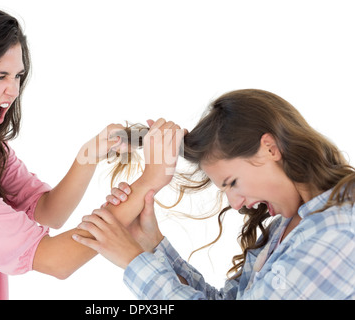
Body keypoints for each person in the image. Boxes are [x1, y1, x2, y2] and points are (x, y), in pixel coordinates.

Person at [0, 6, 186, 299]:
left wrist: (88, 156)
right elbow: (56, 260)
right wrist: (149, 182)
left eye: (18, 76)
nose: (13, 91)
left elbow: (50, 212)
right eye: (0, 76)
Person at [73, 89, 355, 299]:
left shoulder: (338, 231)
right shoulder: (292, 226)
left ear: (270, 148)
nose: (235, 204)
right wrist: (151, 245)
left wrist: (134, 260)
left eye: (231, 182)